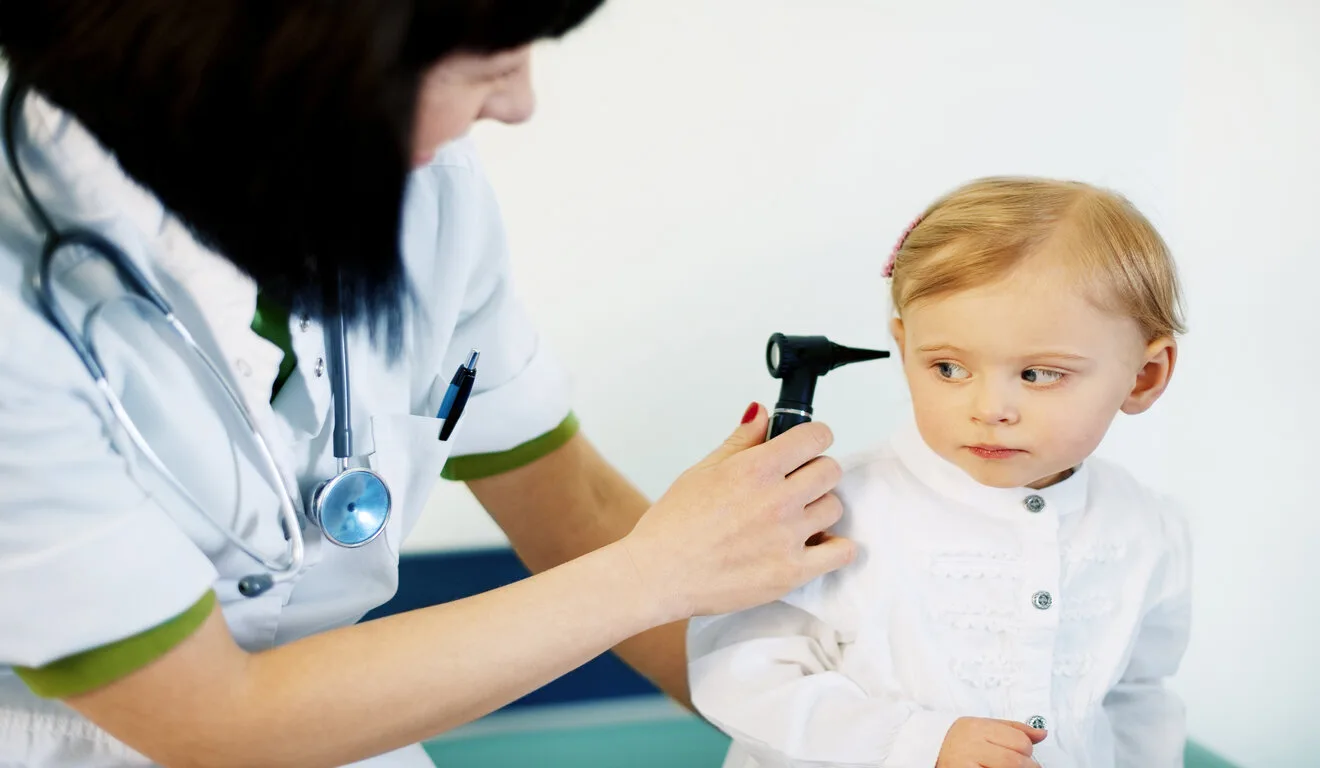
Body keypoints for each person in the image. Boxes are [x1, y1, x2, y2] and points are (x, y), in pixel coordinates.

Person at [0, 3, 857, 766]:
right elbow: (212, 722)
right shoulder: (17, 303)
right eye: (488, 67)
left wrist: (823, 729)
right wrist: (660, 570)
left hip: (350, 718)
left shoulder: (419, 195)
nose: (519, 104)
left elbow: (576, 510)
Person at [688, 177, 1193, 768]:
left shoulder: (1147, 526)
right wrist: (916, 743)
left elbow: (1137, 697)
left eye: (1037, 374)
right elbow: (742, 676)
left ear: (1143, 376)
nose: (990, 408)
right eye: (949, 368)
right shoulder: (827, 510)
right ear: (904, 347)